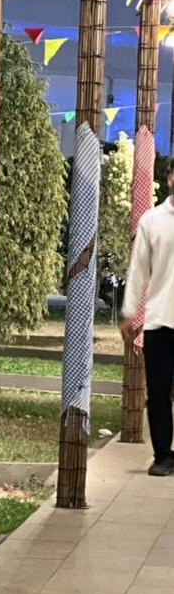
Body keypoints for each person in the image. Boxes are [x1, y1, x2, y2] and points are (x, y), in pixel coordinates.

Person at [121, 157, 174, 476]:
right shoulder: (152, 221)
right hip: (159, 321)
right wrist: (129, 311)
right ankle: (162, 456)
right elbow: (138, 269)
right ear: (170, 179)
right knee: (158, 392)